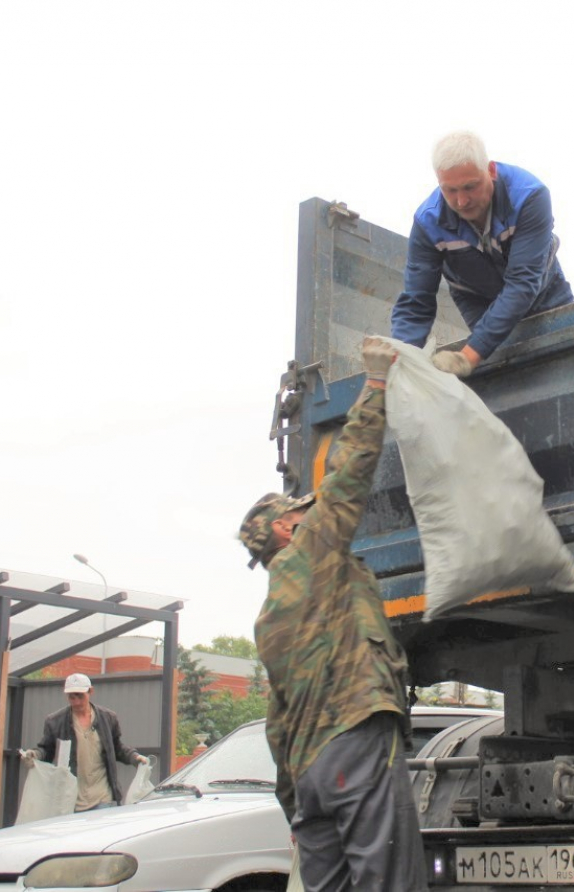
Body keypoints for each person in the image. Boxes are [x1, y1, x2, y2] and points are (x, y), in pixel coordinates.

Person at [239, 336, 427, 892]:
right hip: (354, 742)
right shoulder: (313, 551)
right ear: (282, 529)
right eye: (299, 511)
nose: (309, 513)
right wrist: (374, 387)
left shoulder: (268, 618)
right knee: (392, 881)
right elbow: (348, 476)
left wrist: (297, 809)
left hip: (311, 776)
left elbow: (277, 725)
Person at [390, 130, 574, 377]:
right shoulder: (428, 224)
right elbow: (416, 302)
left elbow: (522, 282)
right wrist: (398, 367)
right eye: (450, 190)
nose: (461, 201)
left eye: (470, 187)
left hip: (546, 297)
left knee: (566, 367)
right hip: (482, 308)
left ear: (490, 170)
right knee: (507, 377)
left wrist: (468, 355)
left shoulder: (529, 196)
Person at [20, 672, 147, 811]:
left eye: (80, 695)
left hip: (103, 797)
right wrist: (35, 755)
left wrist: (134, 757)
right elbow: (46, 750)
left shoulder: (108, 718)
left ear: (90, 691)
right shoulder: (55, 721)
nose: (76, 701)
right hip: (71, 799)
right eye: (71, 697)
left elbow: (117, 748)